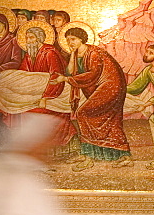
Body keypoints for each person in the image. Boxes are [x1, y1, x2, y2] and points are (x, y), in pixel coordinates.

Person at [52, 26, 132, 170]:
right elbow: (70, 72)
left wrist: (65, 79)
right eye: (68, 40)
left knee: (83, 113)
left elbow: (92, 75)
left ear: (81, 39)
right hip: (100, 88)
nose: (70, 42)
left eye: (73, 39)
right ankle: (116, 155)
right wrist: (72, 56)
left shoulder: (94, 53)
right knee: (109, 121)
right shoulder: (77, 54)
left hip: (111, 86)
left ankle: (89, 156)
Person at [19, 23, 74, 153]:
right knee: (23, 109)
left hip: (54, 93)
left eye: (31, 38)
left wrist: (45, 97)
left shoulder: (50, 53)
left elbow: (56, 77)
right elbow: (23, 73)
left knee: (37, 112)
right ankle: (34, 146)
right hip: (37, 92)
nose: (29, 41)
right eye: (27, 38)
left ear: (39, 38)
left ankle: (49, 147)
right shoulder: (30, 54)